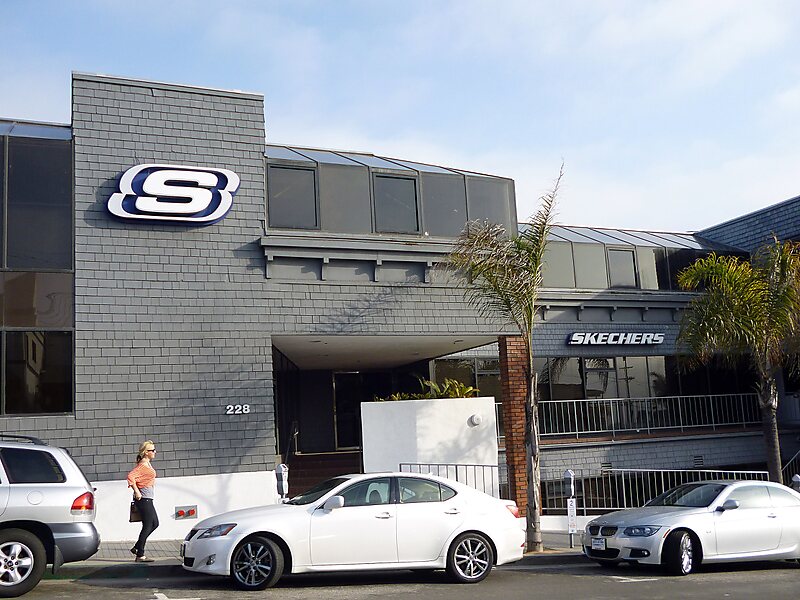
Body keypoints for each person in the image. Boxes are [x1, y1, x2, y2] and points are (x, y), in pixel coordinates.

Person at [127, 440, 159, 562]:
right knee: (148, 525)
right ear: (146, 452)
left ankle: (137, 547)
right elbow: (130, 476)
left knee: (155, 523)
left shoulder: (147, 464)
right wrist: (137, 491)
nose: (155, 452)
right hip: (143, 498)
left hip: (148, 498)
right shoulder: (143, 465)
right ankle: (140, 554)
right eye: (152, 450)